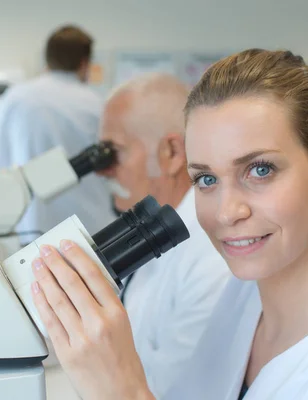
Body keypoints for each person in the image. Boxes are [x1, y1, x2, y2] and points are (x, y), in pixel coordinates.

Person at [27, 48, 308, 400]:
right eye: (206, 179)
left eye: (260, 169)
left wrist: (123, 391)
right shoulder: (243, 296)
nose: (226, 212)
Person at [93, 72, 231, 397]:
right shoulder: (156, 231)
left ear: (170, 152)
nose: (103, 170)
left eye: (114, 152)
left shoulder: (214, 258)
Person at [0, 24, 114, 236]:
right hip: (88, 228)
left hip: (29, 229)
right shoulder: (95, 104)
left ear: (47, 59)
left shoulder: (15, 98)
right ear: (84, 63)